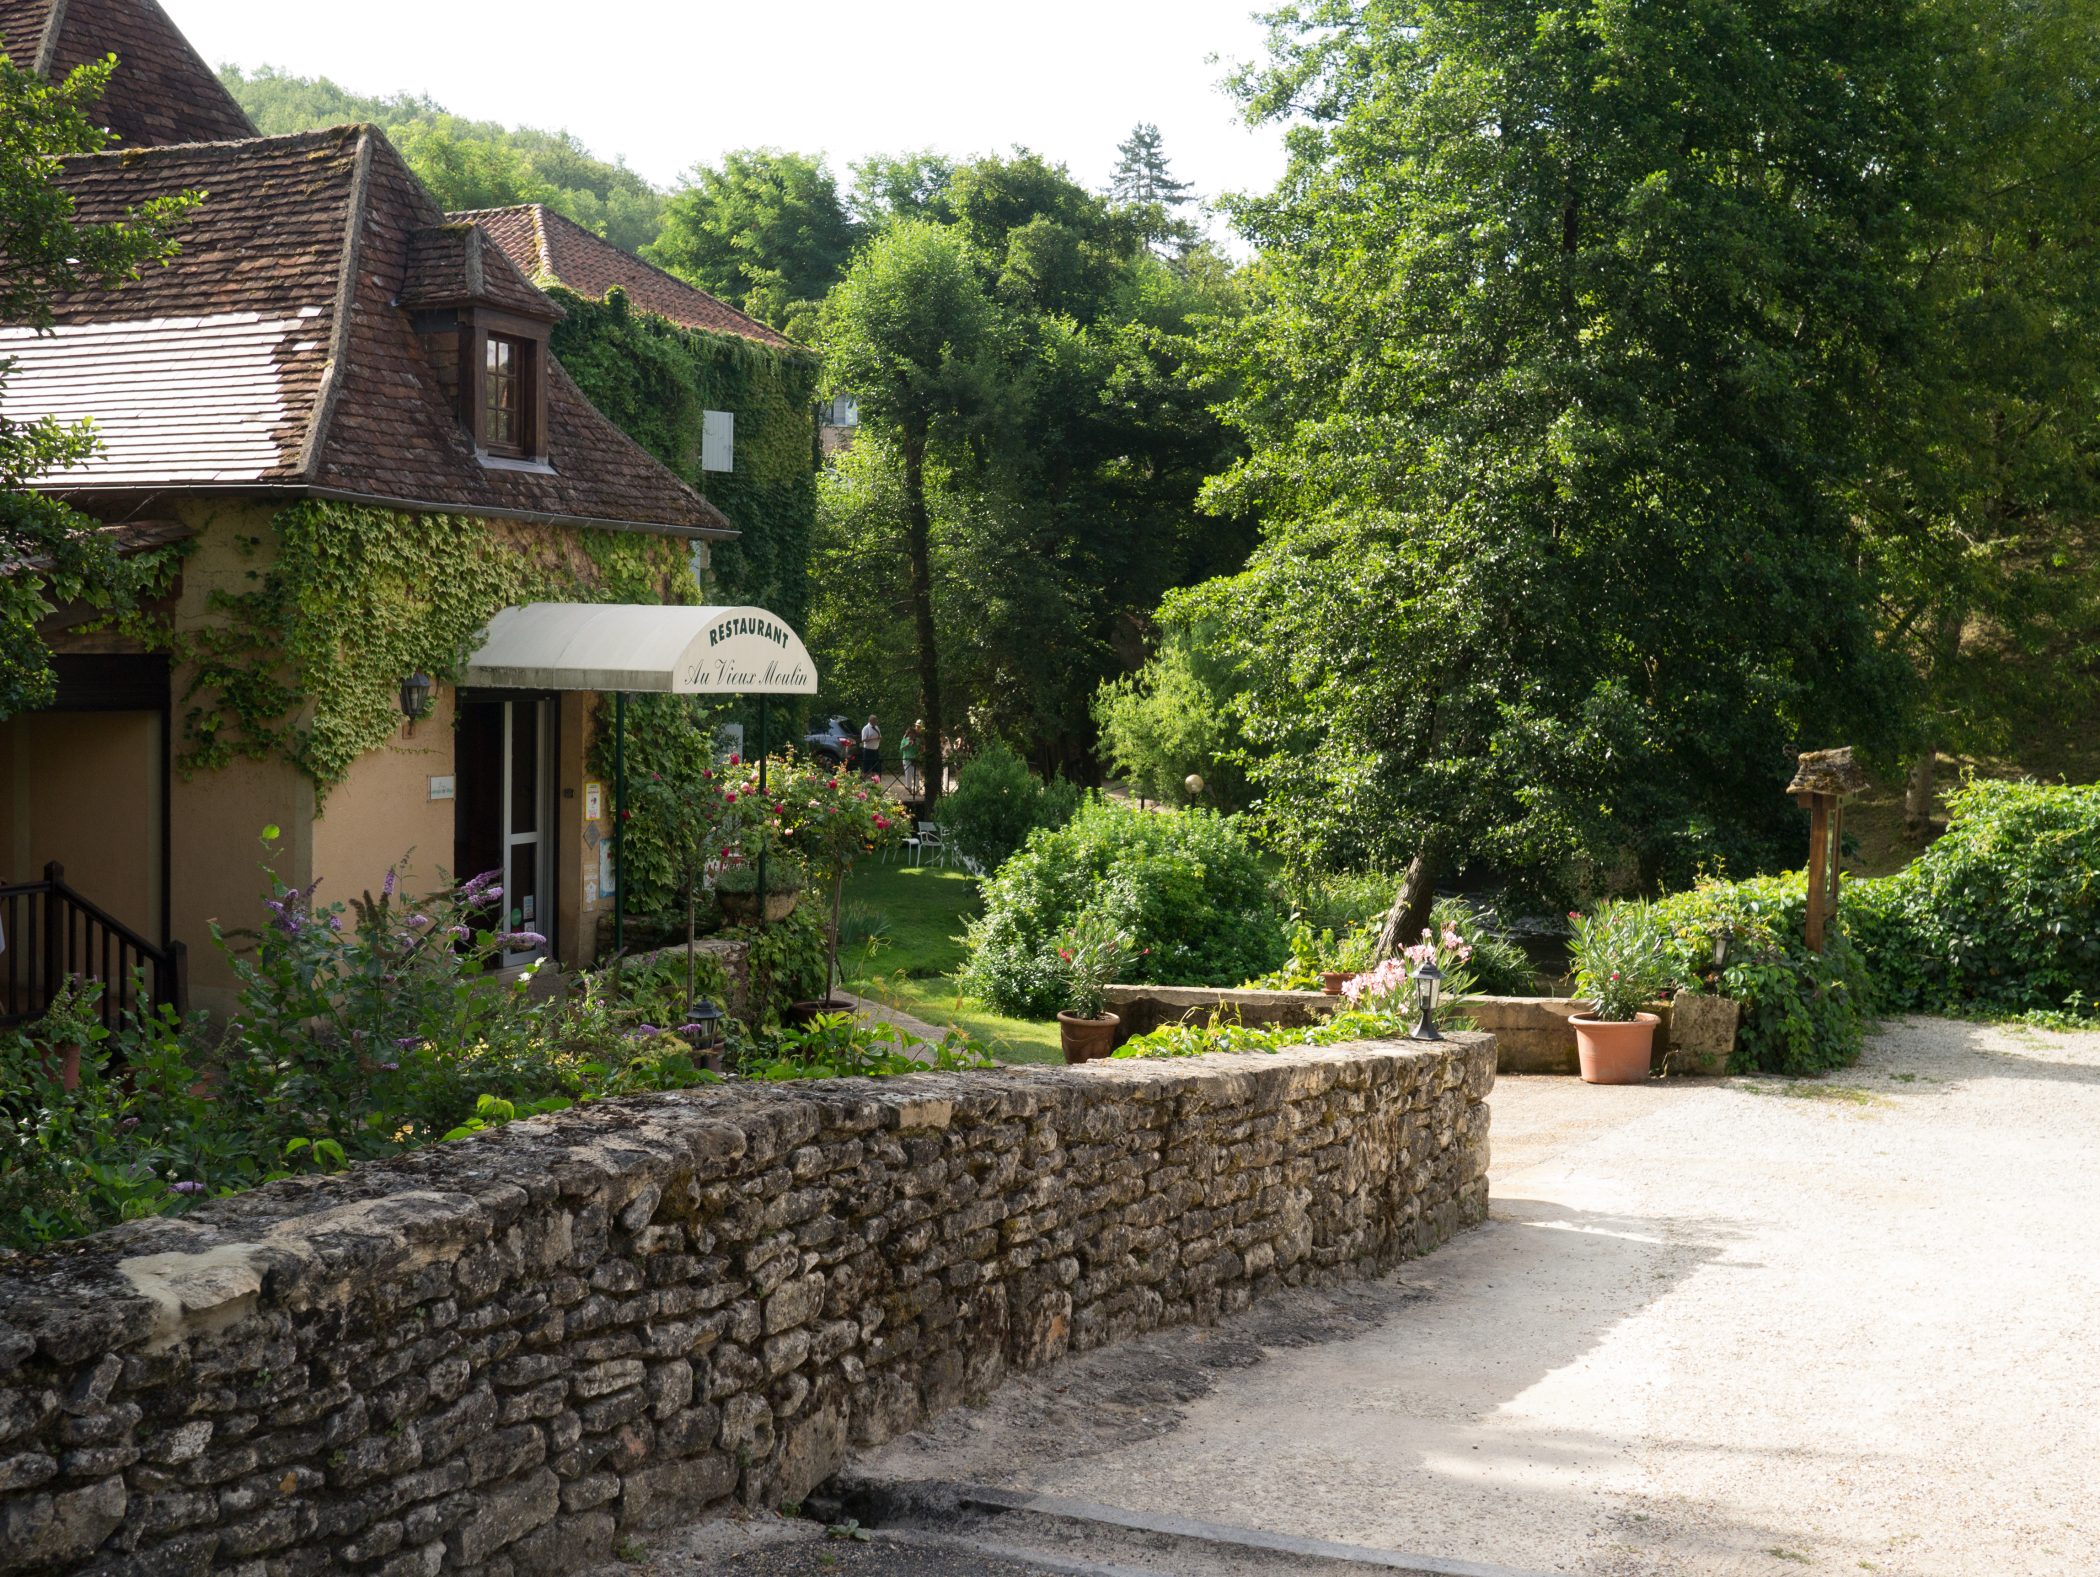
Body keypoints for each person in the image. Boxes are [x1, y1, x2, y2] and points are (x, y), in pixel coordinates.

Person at [900, 720, 924, 799]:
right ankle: (909, 788)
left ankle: (917, 788)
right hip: (906, 759)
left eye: (913, 734)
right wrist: (907, 744)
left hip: (914, 759)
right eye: (910, 734)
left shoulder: (918, 741)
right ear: (908, 734)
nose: (912, 735)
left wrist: (916, 745)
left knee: (916, 774)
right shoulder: (904, 740)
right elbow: (901, 749)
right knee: (908, 774)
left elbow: (921, 750)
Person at [859, 715, 882, 780]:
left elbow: (879, 736)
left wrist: (879, 738)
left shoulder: (877, 727)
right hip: (868, 750)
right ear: (870, 721)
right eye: (874, 720)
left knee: (875, 767)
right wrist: (874, 738)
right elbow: (863, 739)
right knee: (866, 767)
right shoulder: (866, 728)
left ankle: (874, 781)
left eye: (876, 720)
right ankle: (863, 780)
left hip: (876, 749)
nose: (876, 722)